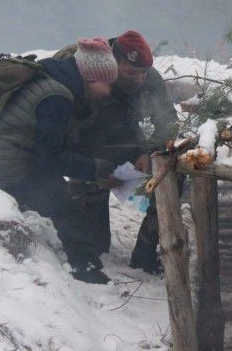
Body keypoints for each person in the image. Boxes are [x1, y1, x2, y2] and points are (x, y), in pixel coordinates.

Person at [0, 38, 121, 284]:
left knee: (53, 192)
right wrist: (94, 169)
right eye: (105, 83)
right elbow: (50, 161)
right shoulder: (58, 98)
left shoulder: (51, 75)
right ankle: (85, 267)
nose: (108, 91)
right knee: (64, 204)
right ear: (88, 77)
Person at [53, 31, 177, 274]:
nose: (139, 79)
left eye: (143, 73)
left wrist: (148, 151)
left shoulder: (148, 78)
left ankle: (146, 250)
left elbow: (169, 123)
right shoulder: (88, 69)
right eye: (131, 73)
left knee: (172, 177)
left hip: (129, 146)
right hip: (86, 149)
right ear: (112, 62)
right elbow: (60, 130)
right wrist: (91, 170)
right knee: (96, 246)